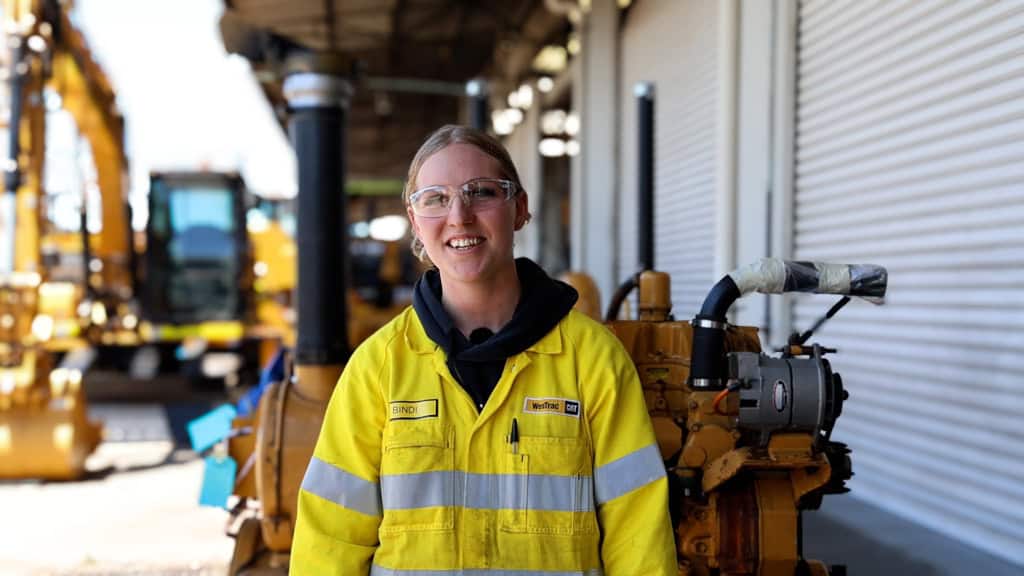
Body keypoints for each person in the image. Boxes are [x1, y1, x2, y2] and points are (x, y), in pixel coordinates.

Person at [291, 124, 676, 575]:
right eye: (436, 198)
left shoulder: (593, 360)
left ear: (520, 208)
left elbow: (638, 538)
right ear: (415, 220)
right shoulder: (378, 367)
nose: (459, 216)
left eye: (481, 192)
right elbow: (330, 541)